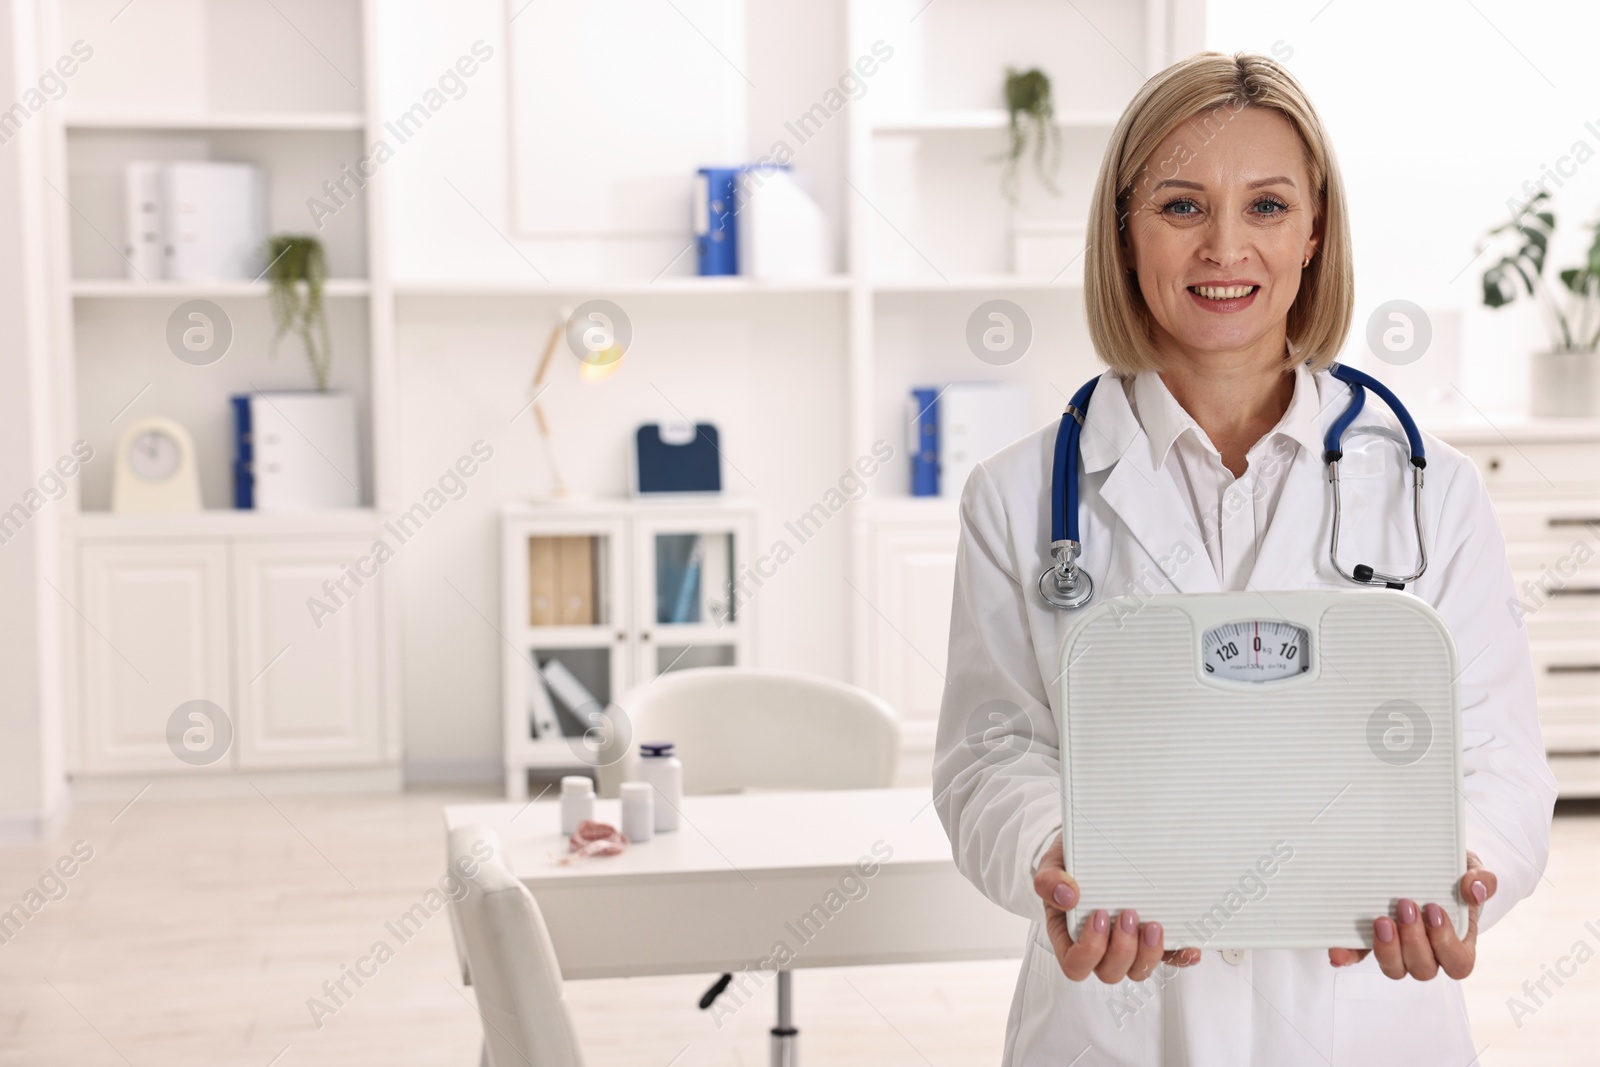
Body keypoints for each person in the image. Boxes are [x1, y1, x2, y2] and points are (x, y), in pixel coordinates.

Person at [933, 51, 1556, 1065]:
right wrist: (1057, 858)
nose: (1225, 245)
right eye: (1182, 205)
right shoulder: (1015, 496)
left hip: (1365, 1013)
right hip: (1116, 1015)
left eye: (1266, 205)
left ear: (1314, 231)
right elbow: (990, 752)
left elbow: (1494, 755)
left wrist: (1461, 870)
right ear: (1125, 230)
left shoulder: (1428, 487)